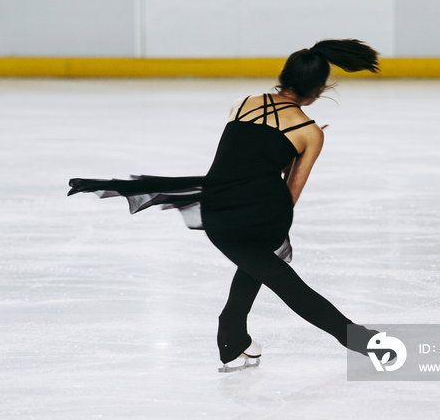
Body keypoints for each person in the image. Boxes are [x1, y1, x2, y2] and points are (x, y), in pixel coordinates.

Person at [68, 39, 380, 372]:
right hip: (264, 215)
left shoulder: (242, 103)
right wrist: (301, 147)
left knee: (261, 263)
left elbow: (244, 159)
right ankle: (357, 340)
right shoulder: (310, 132)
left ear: (284, 76)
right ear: (319, 90)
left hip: (216, 211)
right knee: (283, 279)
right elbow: (291, 192)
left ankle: (233, 339)